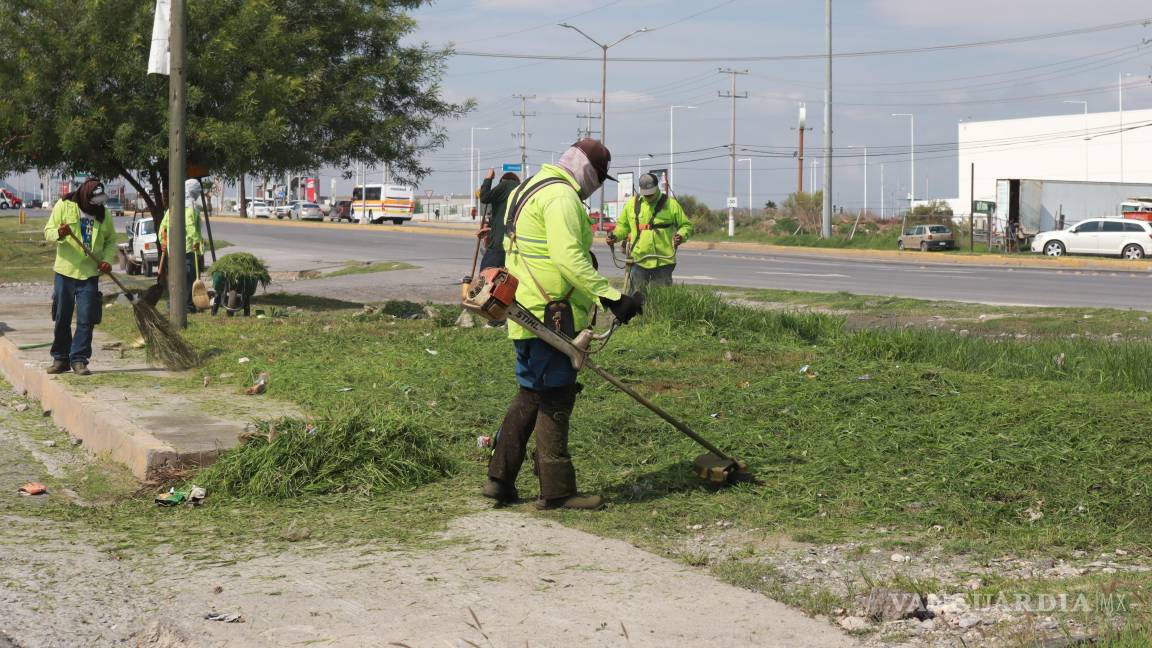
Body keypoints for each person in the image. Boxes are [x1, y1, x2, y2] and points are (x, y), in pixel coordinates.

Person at [484, 139, 643, 511]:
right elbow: (567, 257)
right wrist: (613, 297)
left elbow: (534, 247)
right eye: (599, 179)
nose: (596, 187)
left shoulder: (530, 187)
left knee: (530, 393)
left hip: (521, 310)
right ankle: (556, 491)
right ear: (589, 171)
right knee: (556, 394)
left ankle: (499, 480)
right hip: (549, 316)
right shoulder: (562, 197)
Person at [43, 178, 117, 376]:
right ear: (86, 196)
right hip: (65, 272)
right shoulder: (64, 206)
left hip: (90, 274)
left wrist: (107, 261)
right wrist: (59, 232)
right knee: (62, 317)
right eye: (94, 202)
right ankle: (60, 359)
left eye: (100, 202)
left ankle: (79, 360)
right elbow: (48, 232)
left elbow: (111, 241)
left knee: (87, 318)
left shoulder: (103, 215)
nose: (97, 205)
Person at [608, 172, 692, 287]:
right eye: (646, 194)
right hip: (638, 261)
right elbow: (623, 227)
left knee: (661, 300)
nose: (648, 197)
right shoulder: (631, 205)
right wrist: (615, 236)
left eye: (651, 194)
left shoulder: (671, 205)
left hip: (663, 262)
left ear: (657, 187)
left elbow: (686, 225)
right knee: (636, 300)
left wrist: (681, 236)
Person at [158, 179, 204, 313]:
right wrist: (197, 243)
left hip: (173, 250)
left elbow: (163, 228)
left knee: (176, 278)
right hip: (188, 249)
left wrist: (163, 242)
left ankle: (175, 303)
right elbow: (191, 228)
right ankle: (188, 305)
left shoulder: (172, 208)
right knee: (189, 278)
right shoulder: (191, 209)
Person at [477, 168, 521, 270]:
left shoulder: (505, 185)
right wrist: (490, 229)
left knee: (485, 277)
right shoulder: (520, 190)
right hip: (516, 247)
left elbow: (484, 197)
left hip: (499, 246)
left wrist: (488, 178)